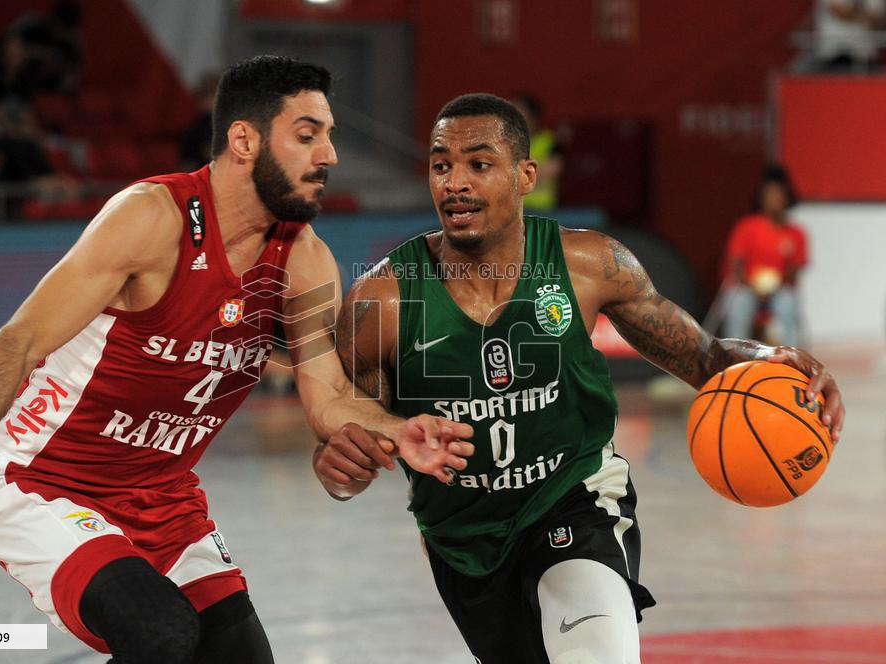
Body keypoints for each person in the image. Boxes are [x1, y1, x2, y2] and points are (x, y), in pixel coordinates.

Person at [0, 56, 471, 663]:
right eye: (307, 136)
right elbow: (20, 338)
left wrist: (398, 429)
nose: (329, 155)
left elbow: (329, 398)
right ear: (243, 139)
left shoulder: (304, 260)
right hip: (46, 485)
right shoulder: (150, 219)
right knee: (160, 633)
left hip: (164, 498)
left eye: (329, 136)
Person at [314, 93, 845, 663]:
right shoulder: (382, 301)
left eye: (479, 163)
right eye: (441, 165)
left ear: (525, 175)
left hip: (576, 498)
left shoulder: (589, 265)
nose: (454, 182)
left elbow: (706, 358)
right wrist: (339, 466)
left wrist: (774, 360)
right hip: (463, 541)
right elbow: (352, 448)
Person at [722, 165, 808, 347]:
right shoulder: (747, 226)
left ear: (787, 199)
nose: (774, 200)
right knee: (737, 305)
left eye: (779, 195)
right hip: (748, 286)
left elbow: (795, 269)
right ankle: (734, 357)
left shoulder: (796, 232)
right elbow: (736, 263)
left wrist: (772, 285)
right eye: (770, 195)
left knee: (788, 307)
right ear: (762, 199)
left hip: (779, 287)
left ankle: (791, 360)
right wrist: (754, 285)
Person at [510, 92, 563, 213]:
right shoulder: (503, 144)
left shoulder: (551, 142)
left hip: (542, 211)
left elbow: (548, 172)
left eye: (520, 112)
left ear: (533, 116)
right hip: (512, 212)